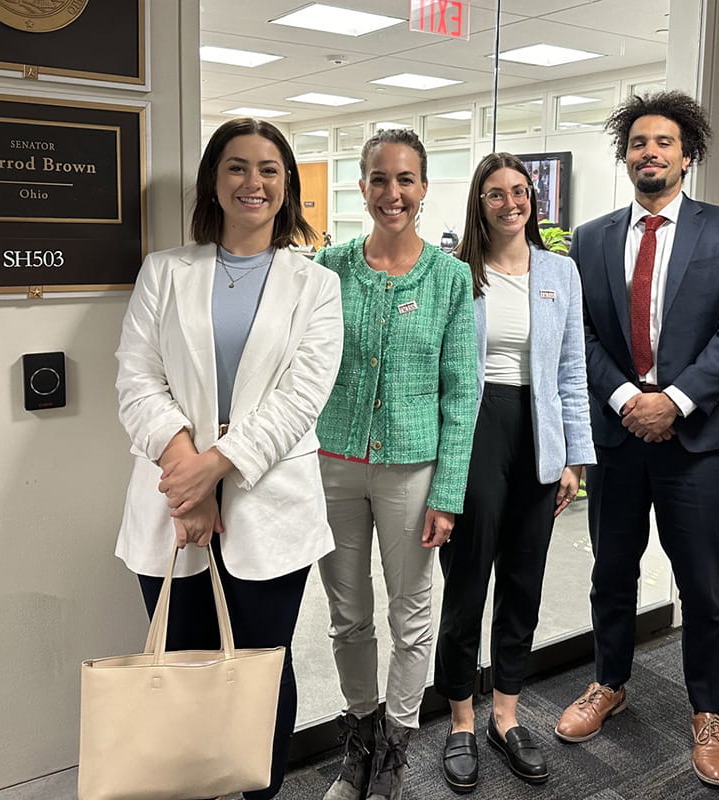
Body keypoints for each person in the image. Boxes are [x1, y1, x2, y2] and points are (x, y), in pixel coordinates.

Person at [113, 117, 343, 799]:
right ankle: (189, 786)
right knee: (181, 667)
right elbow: (135, 377)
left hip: (270, 503)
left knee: (259, 673)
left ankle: (257, 792)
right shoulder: (165, 271)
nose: (254, 182)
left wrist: (215, 467)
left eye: (270, 169)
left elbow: (303, 397)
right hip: (170, 497)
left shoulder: (315, 283)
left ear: (288, 186)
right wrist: (187, 470)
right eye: (238, 166)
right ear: (215, 181)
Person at [556, 91, 719, 789]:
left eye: (665, 142)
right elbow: (578, 334)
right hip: (619, 438)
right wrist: (625, 398)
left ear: (687, 154)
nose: (651, 152)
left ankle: (708, 710)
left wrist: (672, 401)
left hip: (697, 439)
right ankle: (609, 683)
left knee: (703, 585)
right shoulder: (588, 239)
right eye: (639, 142)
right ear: (625, 155)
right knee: (610, 573)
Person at [314, 128, 478, 800]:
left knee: (411, 615)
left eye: (405, 179)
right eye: (380, 179)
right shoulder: (328, 267)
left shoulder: (450, 278)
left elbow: (462, 391)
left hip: (413, 470)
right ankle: (359, 740)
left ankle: (394, 755)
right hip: (332, 466)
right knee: (347, 614)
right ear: (362, 186)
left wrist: (449, 492)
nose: (393, 193)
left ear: (424, 187)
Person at [434, 153, 595, 794]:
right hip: (477, 430)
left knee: (524, 580)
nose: (511, 202)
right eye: (497, 193)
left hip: (540, 431)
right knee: (467, 581)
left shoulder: (561, 270)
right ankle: (461, 722)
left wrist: (574, 458)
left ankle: (506, 715)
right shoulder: (455, 274)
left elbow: (572, 372)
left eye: (521, 192)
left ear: (534, 200)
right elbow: (443, 373)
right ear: (479, 203)